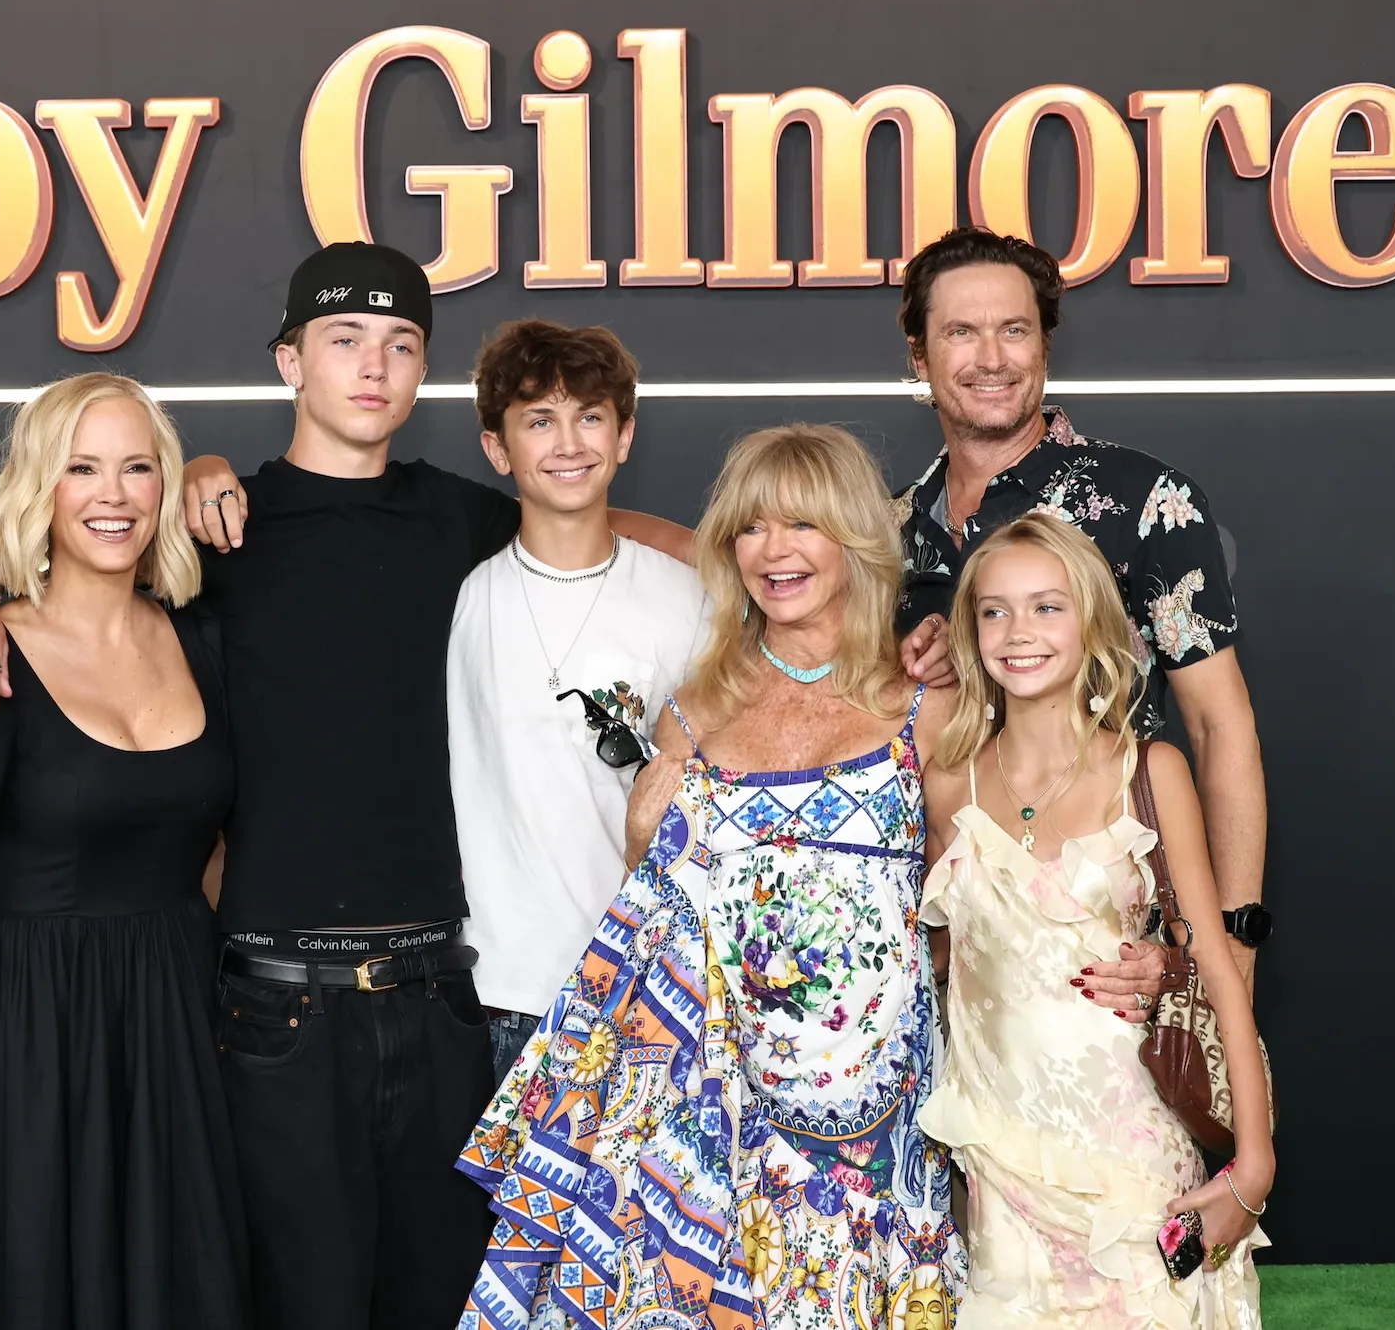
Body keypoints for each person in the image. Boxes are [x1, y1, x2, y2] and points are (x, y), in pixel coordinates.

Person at [0, 244, 698, 1329]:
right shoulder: (206, 534)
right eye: (343, 340)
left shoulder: (464, 523)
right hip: (271, 1009)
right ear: (289, 360)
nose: (372, 367)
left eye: (399, 344)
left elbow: (614, 535)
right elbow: (46, 539)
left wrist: (788, 577)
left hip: (440, 998)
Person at [457, 423, 968, 1329]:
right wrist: (644, 833)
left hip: (881, 1124)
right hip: (724, 1120)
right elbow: (658, 913)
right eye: (751, 528)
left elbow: (973, 908)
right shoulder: (692, 713)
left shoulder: (929, 702)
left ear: (853, 537)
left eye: (802, 525)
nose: (774, 551)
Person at [0, 373, 247, 1329]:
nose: (112, 495)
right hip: (31, 1028)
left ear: (163, 486)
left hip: (179, 1018)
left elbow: (218, 860)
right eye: (82, 469)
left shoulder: (205, 640)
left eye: (136, 467)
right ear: (43, 489)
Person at [918, 511, 1273, 1327]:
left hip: (1132, 1166)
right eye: (994, 610)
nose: (1019, 632)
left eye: (1048, 607)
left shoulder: (1152, 770)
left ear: (1093, 624)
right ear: (970, 631)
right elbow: (937, 961)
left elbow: (1217, 972)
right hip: (997, 1167)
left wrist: (1252, 1171)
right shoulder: (948, 785)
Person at [894, 228, 1271, 993]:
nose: (991, 357)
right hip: (952, 958)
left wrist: (1231, 946)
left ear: (1045, 345)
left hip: (1113, 950)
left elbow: (1219, 726)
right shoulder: (890, 528)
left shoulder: (1144, 502)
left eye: (1014, 330)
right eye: (961, 332)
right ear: (920, 357)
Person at [450, 319, 709, 1079]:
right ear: (498, 448)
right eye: (539, 420)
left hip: (645, 983)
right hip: (496, 988)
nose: (568, 443)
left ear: (624, 436)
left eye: (590, 417)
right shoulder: (462, 595)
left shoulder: (687, 597)